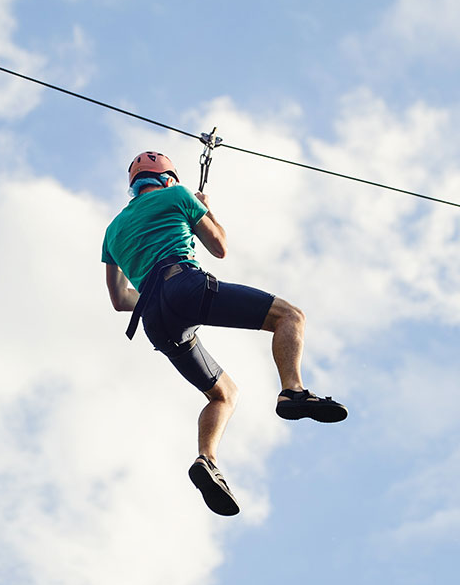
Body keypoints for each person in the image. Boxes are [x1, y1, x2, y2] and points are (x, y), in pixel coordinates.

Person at [102, 150, 347, 516]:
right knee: (290, 316)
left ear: (134, 187)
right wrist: (205, 208)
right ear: (168, 178)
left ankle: (207, 460)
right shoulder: (179, 195)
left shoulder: (113, 230)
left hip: (153, 318)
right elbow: (219, 247)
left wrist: (158, 293)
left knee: (224, 394)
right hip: (184, 284)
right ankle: (292, 392)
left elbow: (121, 300)